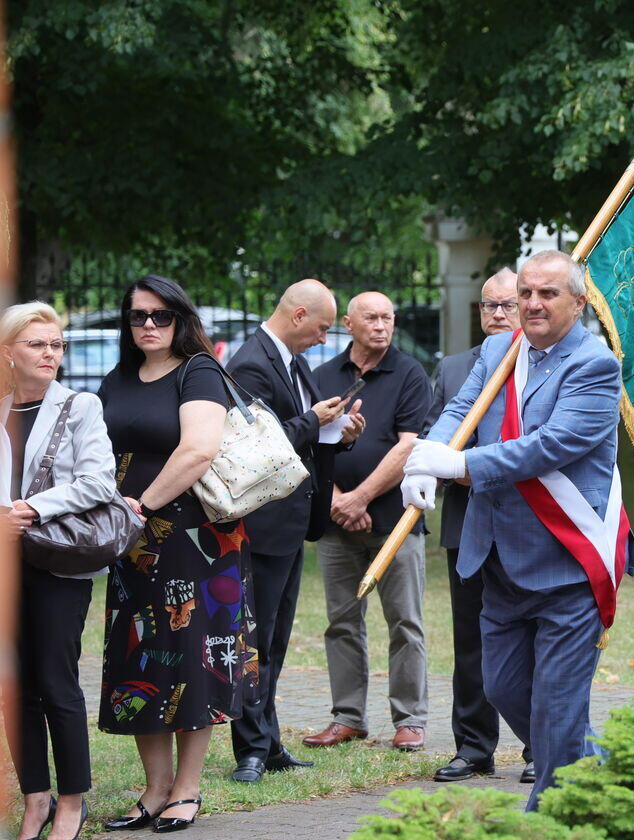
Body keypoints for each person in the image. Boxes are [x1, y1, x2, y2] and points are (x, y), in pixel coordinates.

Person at [403, 250, 631, 810]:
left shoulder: (595, 364)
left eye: (547, 293)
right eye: (525, 292)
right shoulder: (500, 349)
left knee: (556, 705)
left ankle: (553, 813)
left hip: (566, 559)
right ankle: (593, 768)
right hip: (499, 556)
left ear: (578, 303)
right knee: (503, 687)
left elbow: (553, 445)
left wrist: (462, 465)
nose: (532, 304)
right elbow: (461, 409)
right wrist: (427, 458)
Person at [97, 275, 255, 832]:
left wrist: (140, 506)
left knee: (192, 654)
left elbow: (198, 450)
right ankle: (155, 788)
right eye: (137, 315)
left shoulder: (199, 371)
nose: (148, 325)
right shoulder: (118, 377)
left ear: (180, 319)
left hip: (194, 539)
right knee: (140, 655)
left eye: (161, 315)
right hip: (131, 540)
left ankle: (187, 789)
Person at [225, 279, 364, 783]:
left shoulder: (292, 361)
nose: (325, 339)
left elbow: (303, 437)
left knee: (276, 639)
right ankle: (250, 748)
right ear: (299, 315)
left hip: (291, 522)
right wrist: (312, 419)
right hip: (262, 524)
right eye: (322, 328)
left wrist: (339, 433)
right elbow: (254, 447)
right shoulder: (250, 363)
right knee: (254, 639)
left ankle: (269, 741)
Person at [0, 302, 114, 840]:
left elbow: (100, 482)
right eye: (37, 344)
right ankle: (36, 799)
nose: (50, 353)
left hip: (55, 559)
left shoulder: (80, 406)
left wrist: (31, 508)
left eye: (56, 345)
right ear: (8, 353)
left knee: (55, 680)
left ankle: (71, 802)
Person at [304, 292, 432, 752]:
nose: (381, 326)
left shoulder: (410, 373)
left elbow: (408, 446)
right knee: (341, 622)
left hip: (395, 522)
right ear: (348, 323)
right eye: (372, 318)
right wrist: (337, 500)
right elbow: (306, 445)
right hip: (335, 522)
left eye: (387, 318)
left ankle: (410, 720)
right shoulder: (322, 376)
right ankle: (348, 717)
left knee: (406, 623)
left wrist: (360, 498)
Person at [424, 269, 534, 784]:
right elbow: (435, 433)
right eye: (489, 305)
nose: (497, 314)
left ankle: (539, 746)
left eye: (507, 305)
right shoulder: (453, 368)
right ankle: (473, 747)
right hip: (467, 522)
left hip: (530, 522)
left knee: (532, 636)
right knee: (471, 640)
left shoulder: (544, 362)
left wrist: (475, 463)